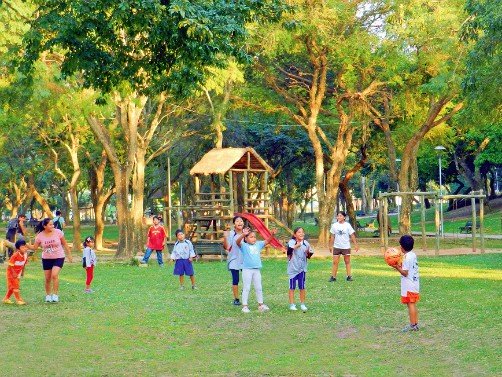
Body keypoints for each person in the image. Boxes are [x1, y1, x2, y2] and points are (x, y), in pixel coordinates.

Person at [30, 218, 73, 303]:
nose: (52, 226)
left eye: (53, 224)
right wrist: (25, 246)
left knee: (54, 275)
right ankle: (48, 295)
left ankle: (55, 295)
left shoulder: (58, 232)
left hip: (59, 257)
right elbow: (35, 247)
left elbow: (64, 243)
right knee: (47, 278)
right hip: (46, 258)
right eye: (50, 224)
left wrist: (69, 255)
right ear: (44, 226)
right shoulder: (40, 236)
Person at [236, 227, 277, 313]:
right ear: (246, 239)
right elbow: (237, 242)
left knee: (259, 287)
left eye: (254, 237)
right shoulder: (244, 245)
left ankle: (261, 305)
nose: (254, 238)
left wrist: (272, 235)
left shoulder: (258, 244)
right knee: (246, 287)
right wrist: (243, 234)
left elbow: (267, 241)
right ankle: (245, 306)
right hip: (247, 270)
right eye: (251, 237)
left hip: (256, 270)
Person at [392, 235, 420, 332]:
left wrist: (396, 267)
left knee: (411, 304)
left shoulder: (407, 257)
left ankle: (413, 325)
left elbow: (405, 272)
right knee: (412, 304)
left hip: (409, 285)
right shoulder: (412, 255)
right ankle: (415, 323)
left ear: (402, 247)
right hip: (414, 283)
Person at [287, 227, 313, 312]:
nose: (301, 234)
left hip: (302, 269)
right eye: (299, 232)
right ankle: (292, 304)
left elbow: (309, 256)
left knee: (302, 287)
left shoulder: (306, 243)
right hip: (293, 269)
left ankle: (302, 304)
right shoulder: (292, 242)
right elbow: (288, 252)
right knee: (292, 287)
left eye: (302, 232)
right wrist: (296, 246)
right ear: (295, 234)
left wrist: (308, 253)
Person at [328, 211, 359, 282]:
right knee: (335, 262)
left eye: (340, 216)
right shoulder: (334, 225)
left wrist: (355, 244)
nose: (339, 217)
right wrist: (330, 246)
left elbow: (352, 235)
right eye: (338, 216)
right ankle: (333, 277)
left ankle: (349, 276)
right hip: (337, 247)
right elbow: (332, 236)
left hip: (346, 247)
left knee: (347, 261)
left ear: (344, 217)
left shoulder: (347, 225)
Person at [223, 216, 245, 306]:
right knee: (235, 280)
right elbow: (227, 247)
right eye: (237, 221)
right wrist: (225, 237)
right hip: (234, 259)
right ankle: (236, 299)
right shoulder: (231, 234)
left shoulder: (246, 233)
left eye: (241, 221)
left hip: (245, 260)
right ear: (234, 224)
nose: (239, 222)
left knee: (246, 279)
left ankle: (244, 296)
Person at [2, 240, 29, 305]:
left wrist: (22, 272)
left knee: (12, 287)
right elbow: (10, 265)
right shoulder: (15, 256)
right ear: (18, 249)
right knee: (16, 286)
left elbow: (24, 264)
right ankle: (18, 300)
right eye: (22, 247)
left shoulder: (25, 255)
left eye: (25, 247)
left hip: (18, 273)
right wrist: (14, 273)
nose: (25, 248)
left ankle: (6, 299)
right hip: (11, 273)